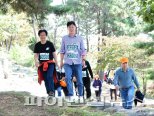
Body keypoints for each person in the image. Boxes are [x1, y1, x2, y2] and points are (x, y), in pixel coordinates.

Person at [60, 21, 86, 102]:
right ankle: (70, 95)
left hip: (78, 63)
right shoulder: (64, 38)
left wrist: (83, 60)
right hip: (67, 63)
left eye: (73, 27)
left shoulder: (80, 38)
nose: (71, 28)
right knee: (68, 78)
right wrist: (61, 61)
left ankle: (81, 96)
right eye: (69, 27)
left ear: (75, 28)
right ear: (68, 28)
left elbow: (83, 51)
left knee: (80, 81)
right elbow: (62, 51)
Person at [34, 29, 59, 96]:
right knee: (45, 78)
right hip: (42, 64)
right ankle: (49, 92)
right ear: (39, 36)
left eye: (44, 35)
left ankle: (52, 91)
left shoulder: (50, 44)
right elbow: (36, 54)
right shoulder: (37, 45)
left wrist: (57, 62)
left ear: (46, 35)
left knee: (49, 76)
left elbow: (54, 53)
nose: (43, 36)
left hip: (50, 63)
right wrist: (36, 61)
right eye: (41, 35)